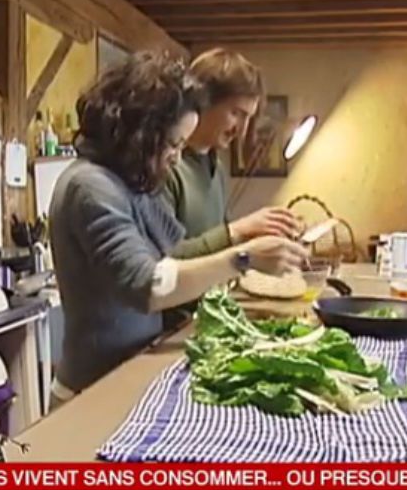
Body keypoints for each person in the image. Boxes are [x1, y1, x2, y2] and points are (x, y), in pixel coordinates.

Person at [47, 52, 308, 410]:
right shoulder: (90, 186)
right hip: (89, 393)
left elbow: (172, 250)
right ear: (141, 133)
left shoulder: (129, 183)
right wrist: (244, 257)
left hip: (124, 377)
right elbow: (149, 284)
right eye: (173, 144)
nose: (176, 157)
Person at [162, 47, 300, 260]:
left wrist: (263, 236)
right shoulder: (165, 166)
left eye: (248, 118)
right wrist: (237, 230)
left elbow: (219, 250)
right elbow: (164, 259)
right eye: (236, 113)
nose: (241, 129)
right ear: (203, 101)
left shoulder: (216, 167)